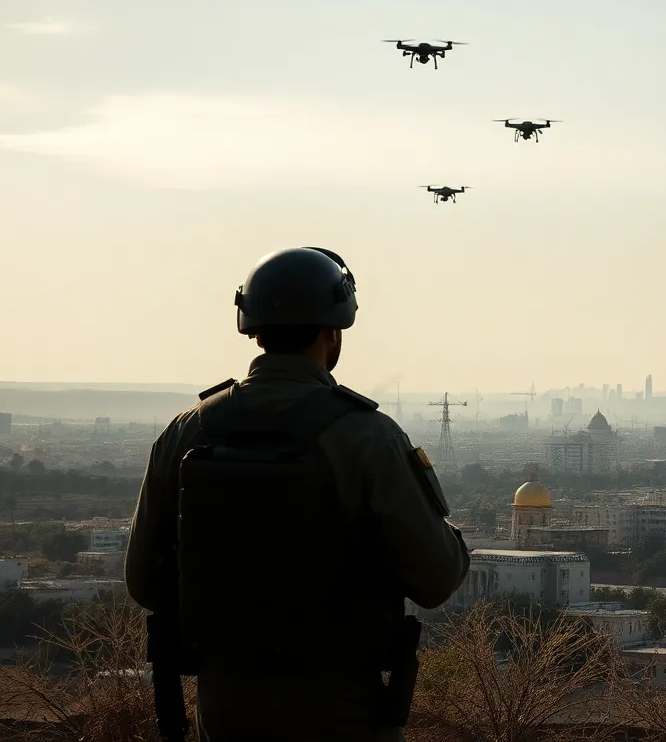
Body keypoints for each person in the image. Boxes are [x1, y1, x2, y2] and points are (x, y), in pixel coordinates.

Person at [125, 247, 472, 742]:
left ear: (253, 328)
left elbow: (143, 582)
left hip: (226, 709)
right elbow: (437, 579)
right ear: (334, 330)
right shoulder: (367, 437)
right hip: (343, 711)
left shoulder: (187, 431)